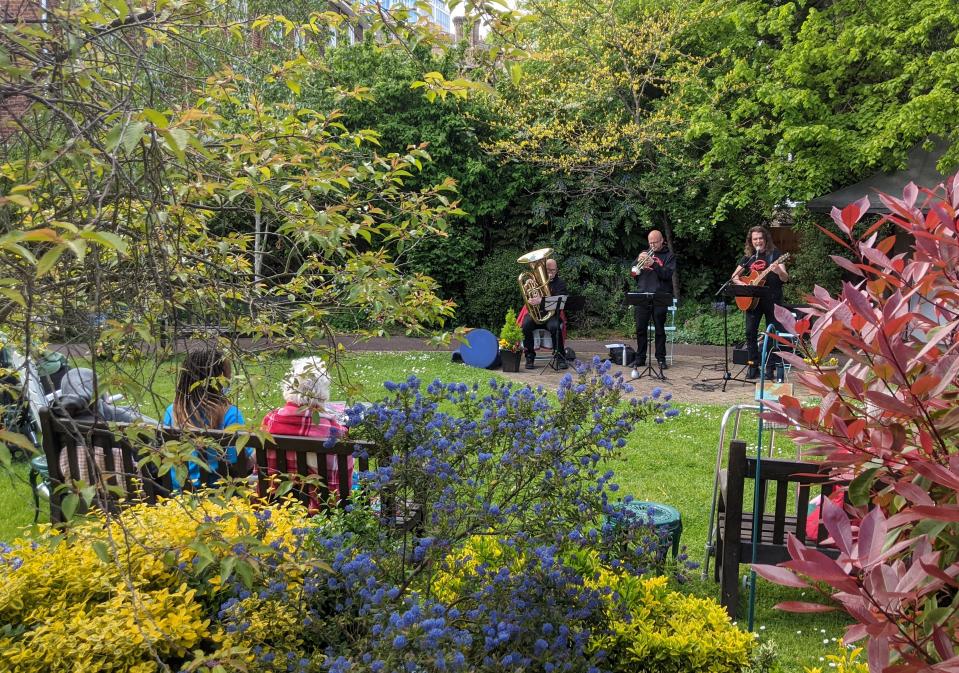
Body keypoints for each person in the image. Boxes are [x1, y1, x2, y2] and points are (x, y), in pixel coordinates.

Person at [261, 356, 350, 510]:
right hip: (321, 512)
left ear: (289, 386)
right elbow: (343, 482)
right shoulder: (332, 430)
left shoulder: (270, 421)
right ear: (322, 393)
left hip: (276, 508)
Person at [163, 349, 249, 489]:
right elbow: (238, 464)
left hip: (179, 494)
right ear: (221, 379)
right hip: (222, 496)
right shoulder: (231, 414)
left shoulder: (172, 411)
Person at [731, 226, 789, 379]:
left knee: (771, 335)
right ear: (751, 241)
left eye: (760, 238)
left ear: (766, 239)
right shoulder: (748, 257)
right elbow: (734, 277)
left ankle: (769, 368)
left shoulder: (775, 255)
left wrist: (778, 271)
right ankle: (753, 365)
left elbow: (785, 278)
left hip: (772, 299)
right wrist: (745, 285)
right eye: (755, 239)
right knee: (750, 333)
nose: (758, 241)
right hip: (753, 301)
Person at [632, 230, 676, 370]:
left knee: (659, 329)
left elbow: (667, 274)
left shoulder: (669, 256)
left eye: (655, 242)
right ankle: (640, 358)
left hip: (660, 295)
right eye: (650, 242)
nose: (652, 245)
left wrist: (654, 264)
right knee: (640, 329)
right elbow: (633, 272)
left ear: (662, 240)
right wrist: (638, 262)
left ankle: (661, 359)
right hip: (642, 295)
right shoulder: (644, 253)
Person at [521, 256, 569, 369]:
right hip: (537, 314)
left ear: (557, 270)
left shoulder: (560, 284)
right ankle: (529, 356)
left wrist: (540, 300)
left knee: (555, 327)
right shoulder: (535, 281)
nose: (551, 273)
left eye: (554, 270)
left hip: (552, 315)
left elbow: (559, 302)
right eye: (548, 270)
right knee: (525, 325)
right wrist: (529, 293)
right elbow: (528, 299)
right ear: (544, 269)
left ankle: (560, 357)